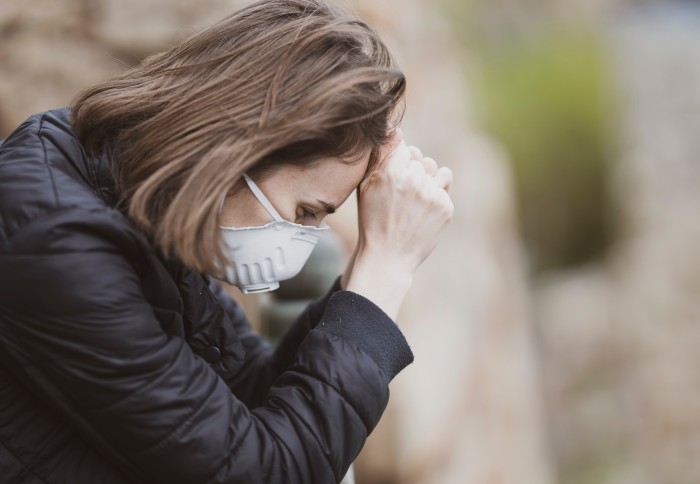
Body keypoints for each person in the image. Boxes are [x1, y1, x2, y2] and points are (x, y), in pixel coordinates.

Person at [0, 0, 453, 482]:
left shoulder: (134, 205)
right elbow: (260, 470)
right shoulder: (57, 240)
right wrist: (385, 272)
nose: (305, 238)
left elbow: (250, 398)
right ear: (239, 147)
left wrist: (362, 276)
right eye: (305, 211)